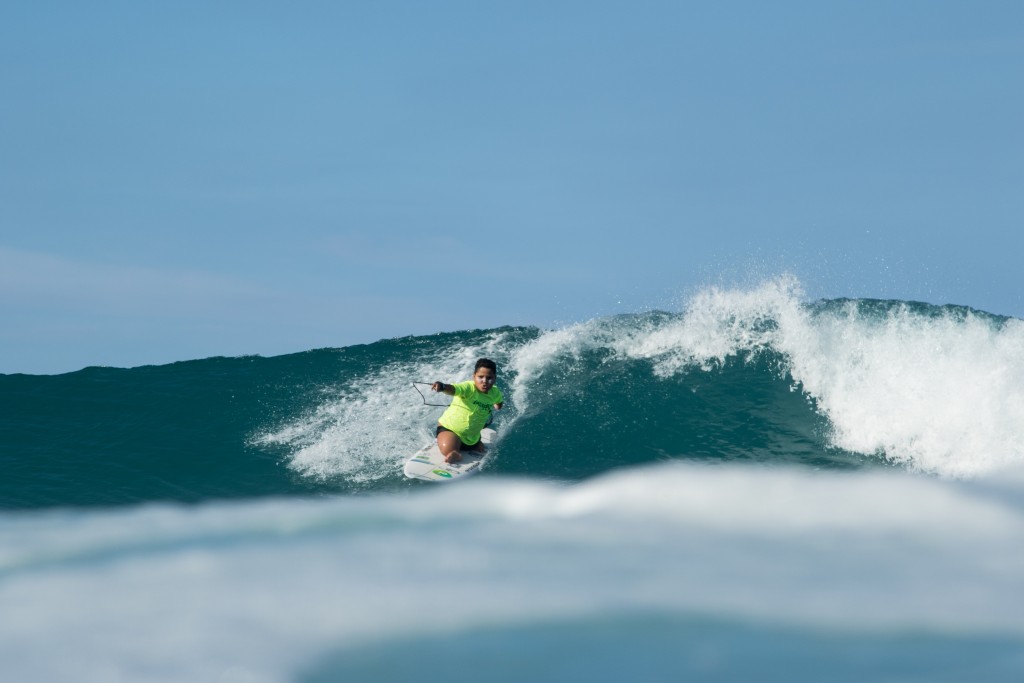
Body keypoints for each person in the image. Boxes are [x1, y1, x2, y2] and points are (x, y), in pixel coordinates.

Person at [431, 358, 504, 464]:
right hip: (450, 429)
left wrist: (497, 406)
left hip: (472, 437)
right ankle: (453, 452)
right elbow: (453, 389)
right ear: (474, 376)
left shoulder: (495, 392)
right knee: (448, 449)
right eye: (480, 377)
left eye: (489, 378)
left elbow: (498, 402)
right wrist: (442, 386)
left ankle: (473, 443)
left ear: (494, 378)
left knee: (475, 445)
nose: (484, 381)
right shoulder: (468, 388)